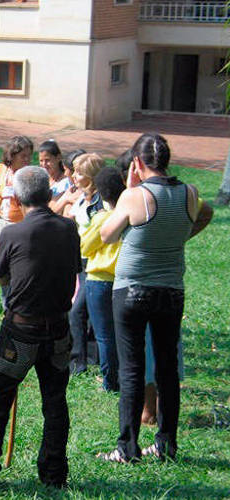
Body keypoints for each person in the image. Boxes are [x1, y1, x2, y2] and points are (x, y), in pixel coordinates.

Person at [0, 166, 80, 490]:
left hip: (22, 331)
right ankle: (54, 474)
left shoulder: (13, 233)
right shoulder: (69, 228)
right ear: (49, 194)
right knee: (55, 401)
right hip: (58, 331)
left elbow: (2, 278)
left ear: (18, 199)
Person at [98, 133, 212, 463]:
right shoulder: (190, 192)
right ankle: (166, 445)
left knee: (132, 369)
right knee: (167, 368)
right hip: (172, 290)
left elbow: (106, 235)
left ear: (136, 162)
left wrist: (129, 190)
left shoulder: (135, 196)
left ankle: (127, 448)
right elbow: (200, 217)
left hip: (132, 290)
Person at [80, 167, 124, 392]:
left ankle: (110, 381)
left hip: (99, 279)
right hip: (123, 280)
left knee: (104, 335)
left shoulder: (101, 218)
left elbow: (85, 247)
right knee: (121, 334)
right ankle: (124, 377)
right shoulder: (130, 216)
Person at [63, 153, 104, 376]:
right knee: (84, 310)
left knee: (77, 311)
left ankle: (77, 362)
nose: (74, 176)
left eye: (79, 173)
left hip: (94, 262)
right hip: (79, 260)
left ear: (91, 176)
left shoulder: (101, 202)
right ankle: (90, 358)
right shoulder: (82, 197)